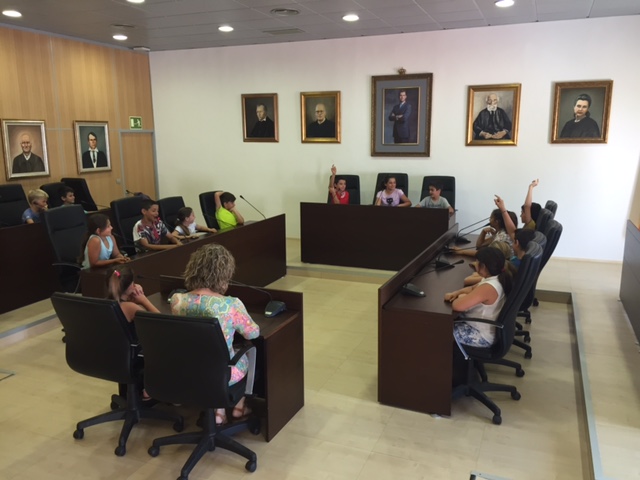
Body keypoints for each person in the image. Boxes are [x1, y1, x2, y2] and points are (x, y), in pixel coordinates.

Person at [171, 243, 260, 425]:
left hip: (188, 369)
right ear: (224, 273)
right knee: (246, 354)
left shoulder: (177, 300)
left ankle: (218, 412)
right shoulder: (231, 305)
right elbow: (253, 334)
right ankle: (238, 407)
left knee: (206, 354)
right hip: (222, 373)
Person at [445, 248, 514, 348]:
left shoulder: (489, 287)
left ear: (483, 266)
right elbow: (472, 288)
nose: (475, 264)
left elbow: (457, 306)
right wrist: (457, 292)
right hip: (484, 328)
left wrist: (461, 296)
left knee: (441, 330)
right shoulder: (496, 278)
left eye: (477, 262)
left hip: (482, 335)